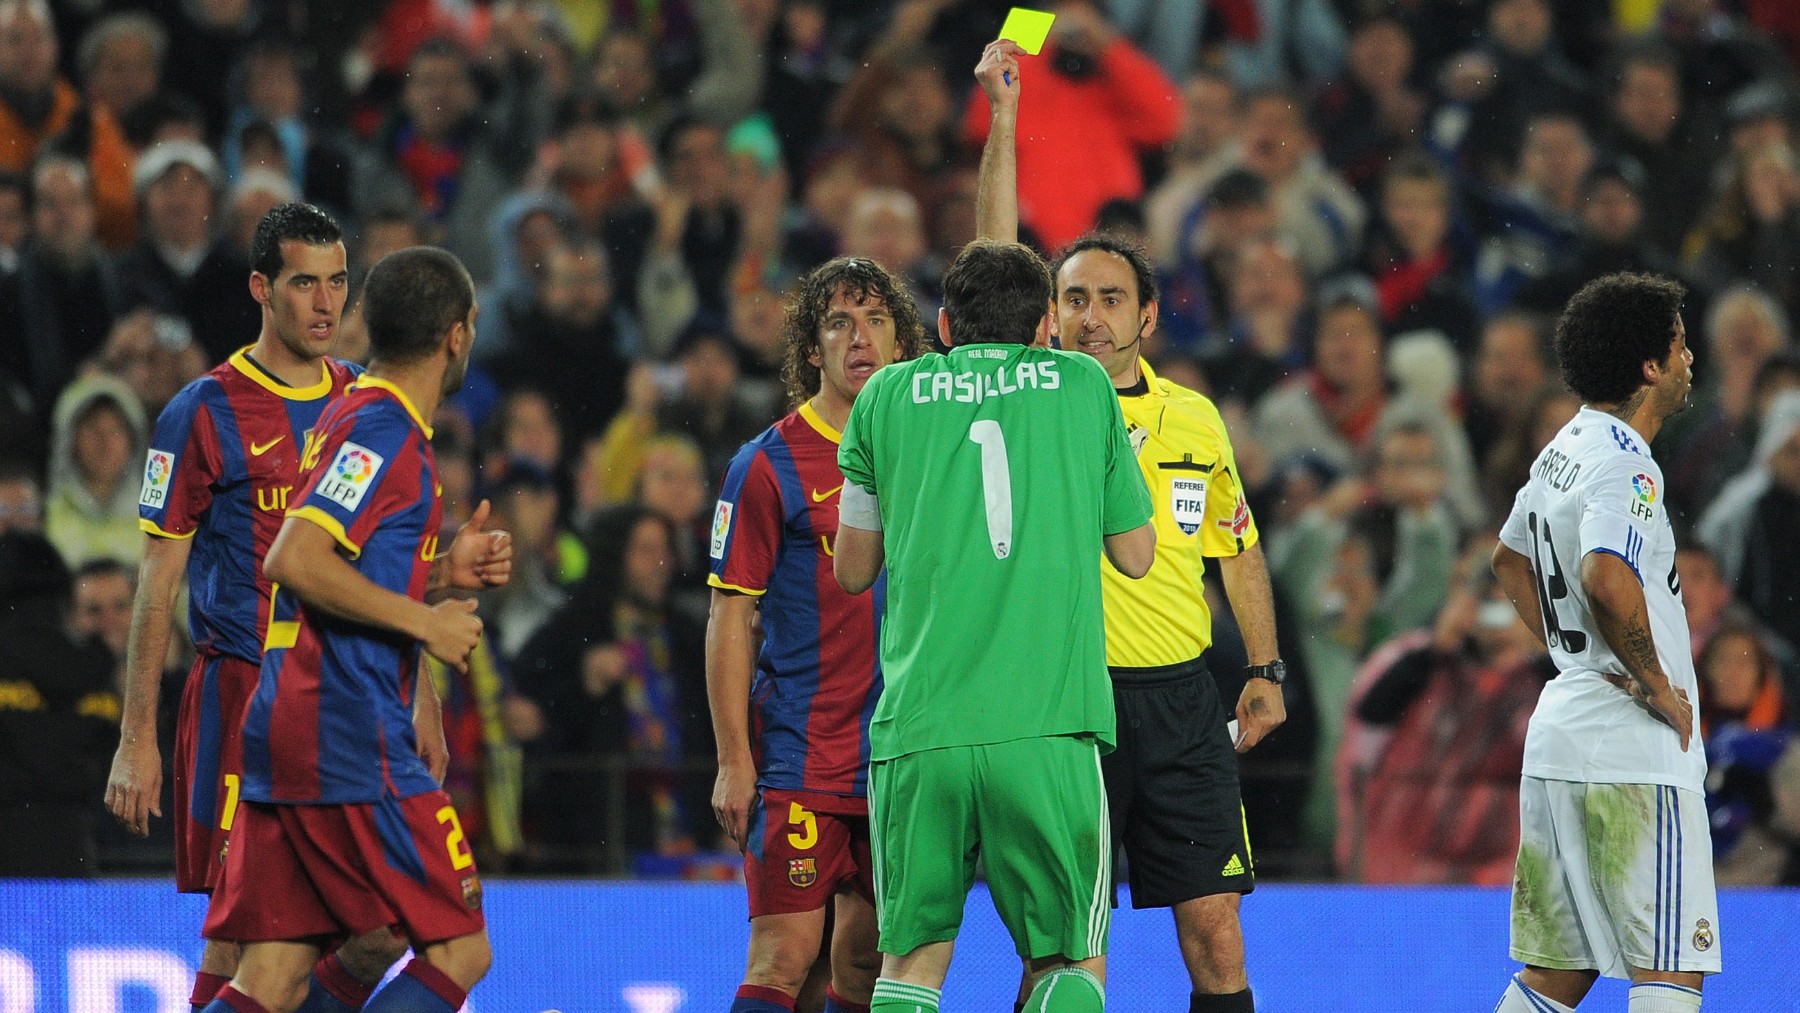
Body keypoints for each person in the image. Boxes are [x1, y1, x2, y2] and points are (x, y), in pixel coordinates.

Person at [101, 204, 494, 1013]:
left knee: (320, 948)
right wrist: (136, 734)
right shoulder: (202, 410)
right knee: (242, 941)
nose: (325, 303)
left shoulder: (359, 395)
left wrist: (421, 672)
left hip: (338, 691)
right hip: (246, 686)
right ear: (261, 289)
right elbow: (158, 582)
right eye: (305, 282)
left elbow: (380, 563)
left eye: (338, 282)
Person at [973, 38, 1286, 1013]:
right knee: (1069, 950)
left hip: (1185, 706)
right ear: (1048, 318)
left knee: (1217, 936)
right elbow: (990, 257)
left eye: (1111, 298)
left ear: (1149, 315)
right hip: (1068, 707)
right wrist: (1008, 118)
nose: (1091, 315)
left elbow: (1237, 548)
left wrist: (1265, 670)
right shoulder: (1039, 394)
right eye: (1074, 299)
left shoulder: (1194, 415)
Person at [833, 238, 1156, 1013]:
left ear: (945, 324)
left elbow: (851, 568)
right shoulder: (1082, 386)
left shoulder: (885, 397)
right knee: (1070, 962)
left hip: (922, 726)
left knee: (908, 964)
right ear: (1046, 322)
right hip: (1046, 726)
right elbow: (1137, 554)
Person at [198, 246, 507, 1013]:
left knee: (272, 975)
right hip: (348, 728)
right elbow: (296, 556)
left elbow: (348, 556)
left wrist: (441, 569)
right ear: (458, 335)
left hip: (292, 721)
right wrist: (425, 620)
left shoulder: (356, 408)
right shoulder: (387, 433)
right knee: (461, 948)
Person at [1490, 272, 1716, 1011]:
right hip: (1633, 755)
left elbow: (1509, 558)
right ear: (1650, 365)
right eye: (1680, 344)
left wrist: (1576, 655)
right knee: (1671, 965)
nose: (1690, 359)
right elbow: (1606, 574)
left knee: (1561, 972)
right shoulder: (1628, 460)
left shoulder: (1566, 444)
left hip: (1562, 735)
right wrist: (1654, 682)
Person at [707, 256, 922, 1013]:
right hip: (802, 750)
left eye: (875, 320)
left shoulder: (929, 454)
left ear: (902, 342)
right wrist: (735, 759)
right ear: (812, 348)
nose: (859, 337)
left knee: (866, 964)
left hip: (902, 755)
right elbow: (730, 613)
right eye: (838, 322)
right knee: (783, 956)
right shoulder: (766, 464)